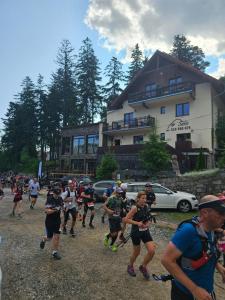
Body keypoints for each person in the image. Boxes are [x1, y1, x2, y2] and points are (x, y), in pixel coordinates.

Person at [161, 195, 225, 300]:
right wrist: (194, 289)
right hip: (185, 293)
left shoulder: (212, 229)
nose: (224, 217)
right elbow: (166, 260)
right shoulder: (189, 230)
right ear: (204, 213)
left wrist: (219, 267)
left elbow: (206, 251)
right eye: (221, 213)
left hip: (207, 291)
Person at [124, 191, 155, 280]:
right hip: (136, 232)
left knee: (152, 251)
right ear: (138, 199)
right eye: (143, 198)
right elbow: (126, 219)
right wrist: (137, 223)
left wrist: (148, 223)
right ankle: (130, 266)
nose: (145, 200)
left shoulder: (146, 207)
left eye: (145, 198)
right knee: (137, 252)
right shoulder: (135, 208)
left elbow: (149, 218)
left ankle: (143, 266)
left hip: (145, 231)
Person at [40, 187, 64, 260]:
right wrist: (55, 210)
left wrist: (62, 214)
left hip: (57, 221)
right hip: (49, 221)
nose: (57, 195)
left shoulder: (60, 199)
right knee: (49, 238)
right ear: (53, 193)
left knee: (57, 237)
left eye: (58, 194)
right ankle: (44, 239)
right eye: (56, 194)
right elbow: (47, 211)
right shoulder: (49, 199)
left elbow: (62, 208)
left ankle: (55, 252)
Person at [103, 187, 125, 252]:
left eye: (121, 193)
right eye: (119, 193)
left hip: (118, 217)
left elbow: (121, 206)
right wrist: (108, 210)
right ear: (116, 192)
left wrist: (123, 210)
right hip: (111, 218)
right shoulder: (111, 198)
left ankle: (111, 245)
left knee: (117, 232)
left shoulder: (121, 199)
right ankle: (107, 236)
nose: (120, 194)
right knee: (114, 234)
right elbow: (104, 205)